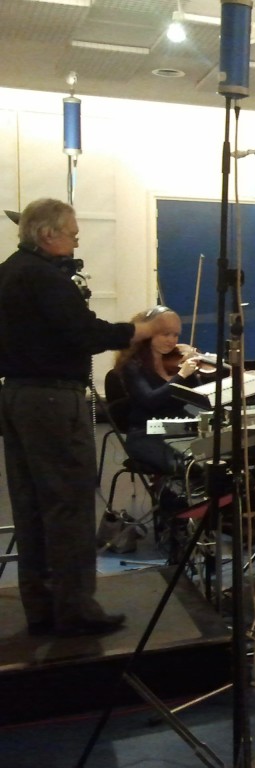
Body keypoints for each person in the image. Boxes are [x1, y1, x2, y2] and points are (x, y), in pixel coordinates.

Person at [0, 198, 163, 637]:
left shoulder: (8, 272)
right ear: (48, 234)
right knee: (69, 502)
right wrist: (136, 331)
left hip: (15, 396)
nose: (76, 239)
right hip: (53, 400)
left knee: (31, 503)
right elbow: (85, 333)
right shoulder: (48, 279)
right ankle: (75, 608)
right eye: (72, 232)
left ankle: (40, 603)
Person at [113, 306, 204, 475]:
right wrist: (182, 375)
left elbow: (199, 398)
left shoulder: (175, 362)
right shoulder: (132, 366)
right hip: (145, 435)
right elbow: (150, 401)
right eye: (165, 334)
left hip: (179, 431)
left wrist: (194, 370)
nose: (172, 340)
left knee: (213, 458)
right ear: (148, 333)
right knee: (188, 466)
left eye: (175, 335)